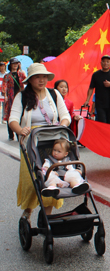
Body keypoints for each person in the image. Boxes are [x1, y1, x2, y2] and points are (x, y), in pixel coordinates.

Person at [9, 63, 71, 220]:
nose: (41, 80)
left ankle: (46, 217)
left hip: (52, 143)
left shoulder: (54, 94)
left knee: (51, 178)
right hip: (31, 143)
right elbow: (13, 120)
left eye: (44, 77)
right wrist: (20, 130)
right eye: (37, 77)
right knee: (32, 180)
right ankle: (28, 211)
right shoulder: (22, 96)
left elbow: (65, 116)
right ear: (30, 80)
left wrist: (61, 127)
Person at [84, 55, 110, 124]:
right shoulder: (96, 74)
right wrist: (87, 100)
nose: (105, 63)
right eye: (104, 61)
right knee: (102, 121)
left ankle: (104, 134)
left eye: (107, 62)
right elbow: (91, 88)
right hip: (100, 103)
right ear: (101, 63)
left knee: (108, 122)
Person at [4, 58, 26, 140]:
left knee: (21, 114)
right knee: (10, 115)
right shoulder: (7, 76)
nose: (15, 65)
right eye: (14, 64)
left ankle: (18, 133)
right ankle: (11, 134)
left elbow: (26, 81)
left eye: (17, 63)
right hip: (11, 98)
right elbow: (4, 86)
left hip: (20, 96)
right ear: (10, 65)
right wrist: (5, 95)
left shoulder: (21, 74)